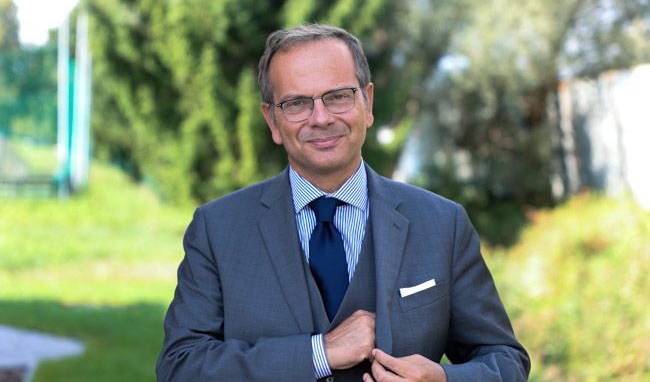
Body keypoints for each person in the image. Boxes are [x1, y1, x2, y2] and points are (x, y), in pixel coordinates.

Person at [156, 24, 530, 382]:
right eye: (297, 103)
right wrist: (320, 353)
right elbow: (180, 367)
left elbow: (505, 360)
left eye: (338, 96)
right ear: (272, 120)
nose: (321, 118)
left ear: (367, 102)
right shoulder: (217, 229)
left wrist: (444, 379)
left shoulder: (442, 223)